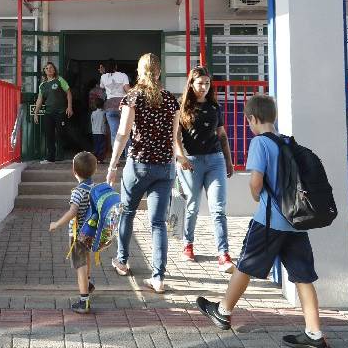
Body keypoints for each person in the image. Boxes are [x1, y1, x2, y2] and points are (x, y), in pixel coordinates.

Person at [195, 94, 329, 348]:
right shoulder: (287, 141)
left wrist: (256, 194)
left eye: (248, 122)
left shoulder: (260, 143)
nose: (249, 126)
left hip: (269, 221)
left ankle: (222, 311)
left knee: (246, 264)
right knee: (303, 277)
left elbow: (256, 183)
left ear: (253, 119)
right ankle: (314, 334)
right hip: (295, 222)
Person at [105, 53, 180, 294]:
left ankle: (122, 261)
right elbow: (174, 137)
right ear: (159, 72)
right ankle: (158, 278)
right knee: (158, 222)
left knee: (127, 213)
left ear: (139, 72)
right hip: (165, 168)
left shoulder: (133, 97)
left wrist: (112, 165)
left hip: (138, 165)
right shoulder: (171, 100)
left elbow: (122, 134)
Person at [172, 66, 235, 271]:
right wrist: (181, 157)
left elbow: (222, 135)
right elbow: (175, 137)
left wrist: (228, 161)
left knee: (218, 209)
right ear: (191, 83)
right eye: (200, 83)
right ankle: (188, 244)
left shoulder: (214, 106)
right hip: (191, 162)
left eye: (207, 83)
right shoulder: (182, 106)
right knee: (192, 206)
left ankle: (223, 254)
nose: (204, 87)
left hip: (215, 160)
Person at [49, 151, 99, 314]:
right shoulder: (93, 187)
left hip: (78, 234)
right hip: (90, 231)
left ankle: (83, 301)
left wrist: (57, 223)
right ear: (95, 170)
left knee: (80, 266)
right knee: (86, 258)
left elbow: (73, 212)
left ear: (74, 171)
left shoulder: (78, 191)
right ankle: (89, 284)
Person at [33, 62, 73, 162]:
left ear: (54, 70)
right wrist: (36, 113)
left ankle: (60, 156)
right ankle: (50, 157)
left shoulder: (59, 80)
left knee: (60, 133)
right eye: (46, 68)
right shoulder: (42, 85)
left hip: (60, 112)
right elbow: (40, 99)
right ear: (44, 71)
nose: (49, 69)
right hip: (48, 113)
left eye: (51, 68)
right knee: (49, 134)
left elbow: (68, 93)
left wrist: (69, 107)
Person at [100, 59, 130, 147]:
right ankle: (127, 155)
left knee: (114, 132)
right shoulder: (123, 75)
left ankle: (116, 157)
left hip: (110, 107)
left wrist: (103, 73)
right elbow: (127, 90)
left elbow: (102, 86)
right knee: (125, 131)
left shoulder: (103, 77)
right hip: (122, 105)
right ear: (116, 66)